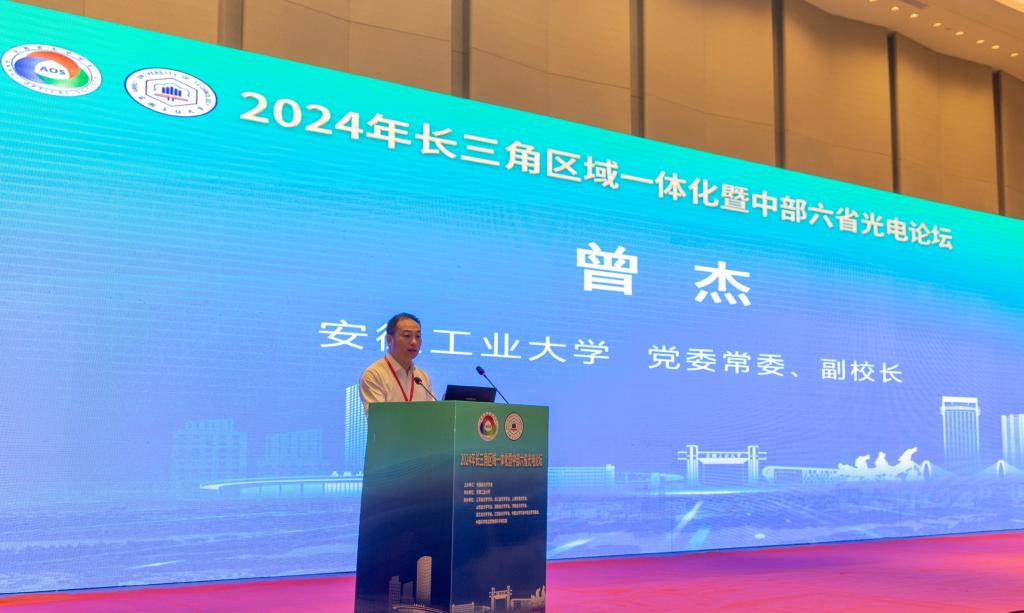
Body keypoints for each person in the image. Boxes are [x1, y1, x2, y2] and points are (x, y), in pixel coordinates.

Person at [359, 312, 434, 411]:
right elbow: (378, 418)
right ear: (390, 339)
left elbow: (432, 414)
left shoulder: (422, 377)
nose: (414, 342)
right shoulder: (374, 375)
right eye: (407, 336)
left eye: (418, 336)